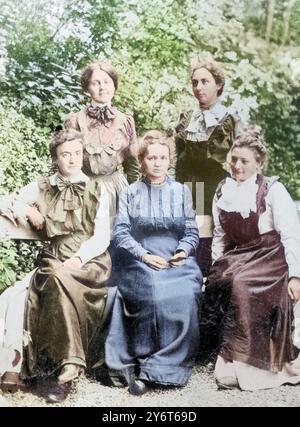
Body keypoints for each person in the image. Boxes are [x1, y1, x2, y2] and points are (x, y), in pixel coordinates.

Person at [0, 129, 114, 402]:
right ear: (55, 158)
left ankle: (65, 365)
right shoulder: (42, 186)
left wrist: (79, 258)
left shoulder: (99, 189)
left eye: (77, 153)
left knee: (55, 278)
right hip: (54, 258)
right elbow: (7, 199)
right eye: (65, 154)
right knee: (50, 277)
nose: (73, 159)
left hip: (89, 262)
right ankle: (67, 365)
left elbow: (102, 236)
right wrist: (26, 209)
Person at [105, 130, 202, 395]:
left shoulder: (181, 191)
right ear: (142, 161)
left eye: (162, 157)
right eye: (151, 157)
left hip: (175, 259)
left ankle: (166, 367)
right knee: (153, 292)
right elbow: (121, 232)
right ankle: (145, 364)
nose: (157, 162)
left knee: (184, 293)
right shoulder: (130, 193)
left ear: (169, 159)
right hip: (140, 258)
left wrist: (182, 251)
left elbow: (191, 231)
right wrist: (144, 256)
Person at [203, 126, 300, 391]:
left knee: (241, 286)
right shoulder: (223, 191)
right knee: (219, 280)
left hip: (270, 257)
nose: (237, 165)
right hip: (240, 255)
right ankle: (225, 355)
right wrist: (215, 267)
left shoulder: (273, 190)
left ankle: (246, 368)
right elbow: (220, 237)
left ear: (259, 163)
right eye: (234, 159)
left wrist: (296, 276)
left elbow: (291, 235)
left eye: (244, 161)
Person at [174, 60, 240, 275]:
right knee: (184, 239)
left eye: (205, 81)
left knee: (209, 244)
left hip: (213, 189)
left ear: (218, 84)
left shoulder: (227, 120)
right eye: (195, 82)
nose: (198, 87)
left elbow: (232, 160)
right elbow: (179, 156)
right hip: (186, 186)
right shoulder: (187, 119)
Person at [64, 60, 139, 222]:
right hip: (84, 189)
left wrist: (134, 196)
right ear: (87, 88)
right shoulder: (75, 121)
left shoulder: (126, 121)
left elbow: (133, 164)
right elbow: (64, 161)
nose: (102, 87)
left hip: (117, 189)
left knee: (118, 239)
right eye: (95, 83)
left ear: (114, 86)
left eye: (107, 82)